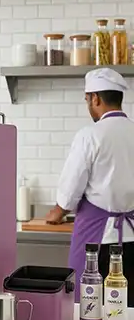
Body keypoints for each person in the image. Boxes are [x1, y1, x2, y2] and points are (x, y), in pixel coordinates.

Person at [46, 68, 134, 305]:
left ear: (95, 98)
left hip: (99, 242)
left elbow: (71, 187)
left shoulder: (90, 135)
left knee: (89, 306)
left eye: (87, 99)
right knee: (127, 307)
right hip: (132, 239)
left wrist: (58, 211)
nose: (88, 105)